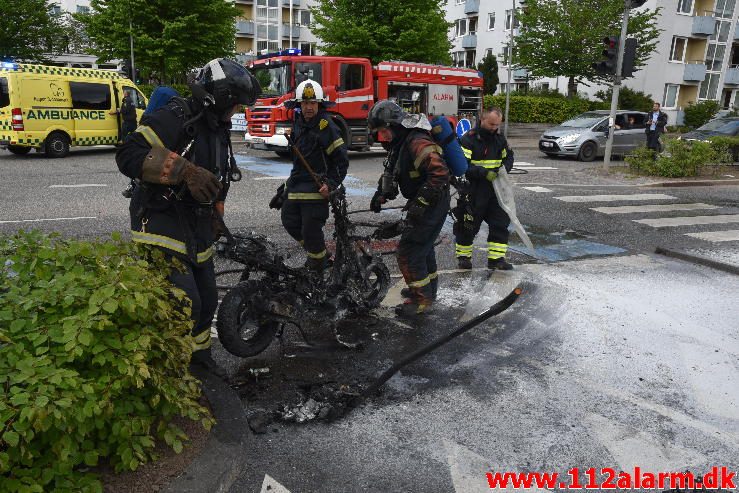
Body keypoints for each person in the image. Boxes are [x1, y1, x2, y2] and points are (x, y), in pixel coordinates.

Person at [116, 58, 260, 378]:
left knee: (208, 299)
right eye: (235, 105)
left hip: (196, 224)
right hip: (159, 220)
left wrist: (217, 213)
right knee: (186, 302)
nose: (236, 113)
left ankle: (199, 360)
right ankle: (169, 370)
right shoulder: (176, 115)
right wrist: (184, 171)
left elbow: (216, 177)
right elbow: (129, 154)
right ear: (219, 96)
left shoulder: (216, 128)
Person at [368, 100, 450, 318]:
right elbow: (393, 173)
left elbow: (440, 174)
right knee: (423, 249)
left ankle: (420, 300)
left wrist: (420, 203)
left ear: (394, 126)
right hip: (426, 202)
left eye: (384, 131)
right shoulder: (400, 143)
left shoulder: (417, 142)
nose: (382, 137)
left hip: (432, 203)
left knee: (409, 251)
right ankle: (428, 290)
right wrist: (381, 194)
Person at [278, 79, 349, 272]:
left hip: (317, 190)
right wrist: (284, 189)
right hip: (296, 186)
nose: (308, 107)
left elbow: (341, 161)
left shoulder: (328, 127)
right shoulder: (298, 124)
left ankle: (318, 268)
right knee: (289, 221)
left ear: (319, 104)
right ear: (299, 105)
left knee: (310, 231)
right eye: (305, 103)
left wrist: (332, 184)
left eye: (312, 103)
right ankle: (318, 253)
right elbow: (297, 163)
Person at [454, 107, 515, 271]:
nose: (494, 128)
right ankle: (464, 258)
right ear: (482, 120)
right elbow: (462, 166)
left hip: (496, 190)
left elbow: (508, 156)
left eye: (497, 125)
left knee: (500, 224)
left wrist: (504, 170)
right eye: (492, 124)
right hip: (474, 189)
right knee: (468, 225)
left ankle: (496, 259)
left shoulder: (499, 139)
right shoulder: (469, 139)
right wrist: (483, 173)